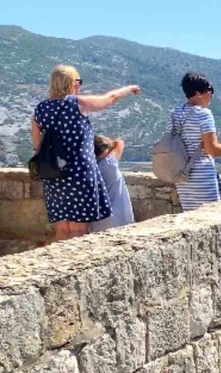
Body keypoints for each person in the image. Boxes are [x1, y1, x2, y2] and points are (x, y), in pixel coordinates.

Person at [30, 65, 140, 241]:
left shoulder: (41, 109)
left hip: (53, 175)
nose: (79, 86)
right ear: (72, 83)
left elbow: (37, 145)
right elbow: (110, 98)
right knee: (78, 228)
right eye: (78, 82)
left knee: (62, 226)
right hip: (79, 174)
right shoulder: (78, 103)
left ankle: (61, 263)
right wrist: (129, 89)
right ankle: (75, 266)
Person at [168, 72, 221, 211]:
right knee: (210, 218)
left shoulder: (175, 113)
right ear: (198, 93)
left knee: (191, 218)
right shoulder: (203, 114)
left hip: (182, 175)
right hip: (202, 176)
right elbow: (212, 150)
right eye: (210, 90)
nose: (212, 94)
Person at [90, 135, 135, 232]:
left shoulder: (89, 169)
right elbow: (119, 142)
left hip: (96, 222)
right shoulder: (109, 164)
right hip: (119, 219)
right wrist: (110, 142)